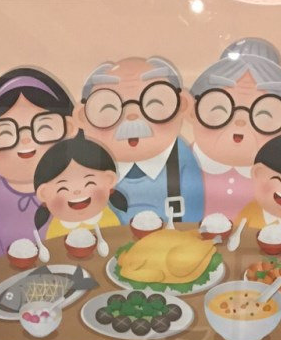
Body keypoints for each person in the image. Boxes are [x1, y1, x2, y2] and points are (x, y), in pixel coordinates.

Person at [77, 56, 203, 226]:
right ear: (83, 117)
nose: (132, 115)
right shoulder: (86, 162)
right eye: (109, 108)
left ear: (182, 105)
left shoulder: (181, 157)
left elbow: (193, 215)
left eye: (154, 103)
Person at [0, 68, 75, 262]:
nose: (26, 140)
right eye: (5, 132)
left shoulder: (76, 176)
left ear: (69, 128)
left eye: (43, 127)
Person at [189, 38, 281, 222]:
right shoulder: (182, 165)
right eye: (220, 109)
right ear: (193, 110)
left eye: (263, 114)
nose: (240, 122)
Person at [31, 132, 126, 239]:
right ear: (43, 193)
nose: (77, 192)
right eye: (63, 188)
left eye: (89, 183)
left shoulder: (109, 220)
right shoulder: (56, 230)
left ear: (109, 180)